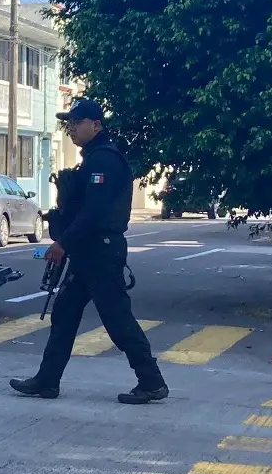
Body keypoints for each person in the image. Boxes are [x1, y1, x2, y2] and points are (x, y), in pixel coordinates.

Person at [9, 98, 169, 405]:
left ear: (96, 125)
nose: (71, 129)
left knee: (117, 319)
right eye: (68, 123)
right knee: (65, 313)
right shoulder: (92, 159)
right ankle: (47, 380)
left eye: (77, 123)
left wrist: (62, 242)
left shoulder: (105, 160)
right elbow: (80, 208)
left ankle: (151, 382)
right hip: (88, 253)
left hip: (101, 252)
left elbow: (94, 212)